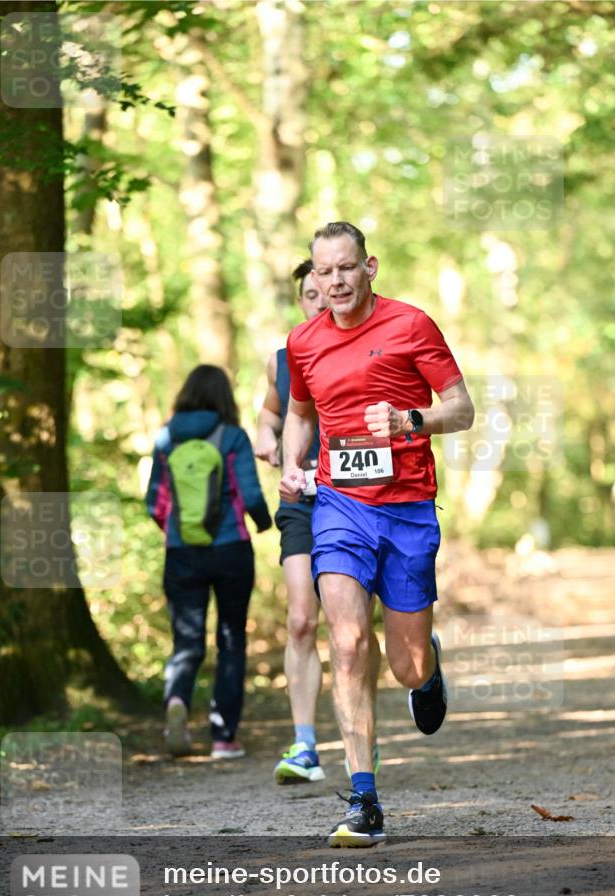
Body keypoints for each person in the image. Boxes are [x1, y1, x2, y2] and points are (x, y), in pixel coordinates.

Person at [279, 222, 474, 847]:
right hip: (340, 506)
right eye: (323, 271)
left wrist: (408, 419)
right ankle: (363, 798)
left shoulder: (411, 325)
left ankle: (428, 667)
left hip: (409, 506)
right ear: (313, 277)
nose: (334, 281)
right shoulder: (302, 342)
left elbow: (462, 407)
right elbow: (300, 412)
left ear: (370, 268)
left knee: (405, 668)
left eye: (346, 268)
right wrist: (290, 460)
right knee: (346, 637)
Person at [255, 261, 381, 784]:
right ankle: (305, 745)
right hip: (302, 499)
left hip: (359, 499)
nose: (320, 298)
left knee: (354, 632)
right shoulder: (284, 358)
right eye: (309, 293)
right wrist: (266, 438)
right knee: (303, 619)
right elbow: (271, 412)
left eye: (325, 289)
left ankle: (364, 733)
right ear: (303, 299)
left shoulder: (369, 346)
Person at [146, 365, 272, 760]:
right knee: (231, 638)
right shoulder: (232, 436)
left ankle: (176, 704)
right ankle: (223, 737)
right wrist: (266, 523)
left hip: (182, 554)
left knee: (187, 642)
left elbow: (155, 501)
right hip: (231, 548)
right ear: (223, 397)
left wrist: (177, 532)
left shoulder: (166, 438)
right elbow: (250, 493)